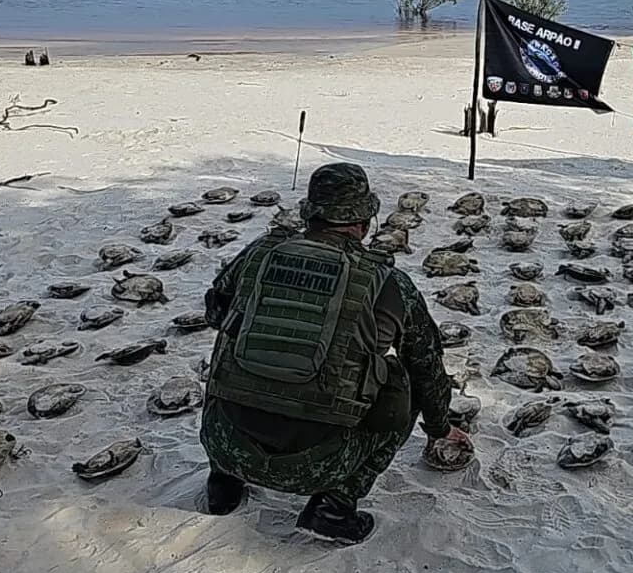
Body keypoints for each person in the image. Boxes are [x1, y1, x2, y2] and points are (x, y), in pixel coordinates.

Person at [199, 162, 468, 544]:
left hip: (225, 442)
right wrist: (440, 428)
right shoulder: (389, 282)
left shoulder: (260, 252)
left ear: (311, 213)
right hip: (319, 466)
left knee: (231, 346)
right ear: (363, 222)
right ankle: (334, 505)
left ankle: (223, 484)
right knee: (402, 381)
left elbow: (215, 311)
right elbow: (426, 368)